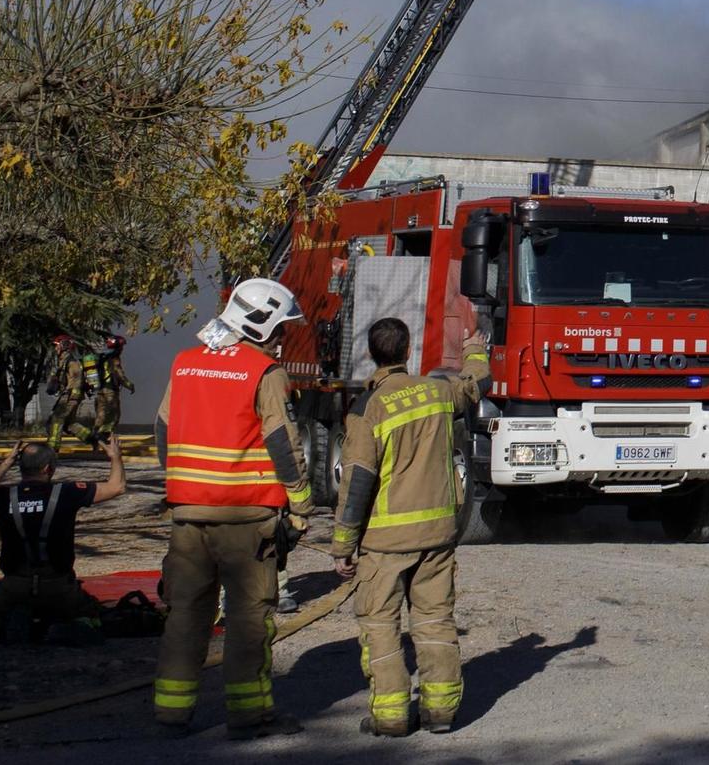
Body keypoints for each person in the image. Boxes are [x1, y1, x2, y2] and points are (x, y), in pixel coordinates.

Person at [152, 278, 314, 740]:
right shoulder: (264, 372)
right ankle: (249, 715)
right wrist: (301, 506)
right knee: (247, 621)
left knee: (185, 615)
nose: (283, 339)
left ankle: (171, 712)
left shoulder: (184, 364)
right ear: (259, 324)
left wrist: (184, 486)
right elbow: (283, 443)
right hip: (246, 522)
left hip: (187, 519)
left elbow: (163, 429)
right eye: (280, 329)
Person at [331, 317, 490, 737]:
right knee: (435, 619)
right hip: (437, 535)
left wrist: (342, 545)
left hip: (385, 542)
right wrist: (474, 345)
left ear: (372, 354)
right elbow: (475, 382)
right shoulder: (437, 392)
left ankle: (392, 715)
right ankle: (440, 713)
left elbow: (357, 482)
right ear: (407, 352)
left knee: (381, 626)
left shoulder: (368, 408)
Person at [0, 436, 126, 642]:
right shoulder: (67, 492)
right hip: (58, 585)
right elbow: (116, 487)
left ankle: (2, 626)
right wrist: (115, 457)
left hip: (15, 585)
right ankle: (69, 624)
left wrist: (7, 462)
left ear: (21, 467)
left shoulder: (3, 496)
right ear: (48, 469)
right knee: (91, 613)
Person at [87, 335, 136, 448]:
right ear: (118, 347)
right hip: (110, 392)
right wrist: (130, 385)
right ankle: (103, 437)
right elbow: (120, 375)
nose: (123, 349)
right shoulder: (115, 359)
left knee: (100, 416)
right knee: (114, 416)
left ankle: (95, 439)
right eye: (122, 346)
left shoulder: (103, 357)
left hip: (100, 391)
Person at [45, 335, 91, 453]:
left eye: (56, 346)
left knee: (56, 419)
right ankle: (93, 439)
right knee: (69, 424)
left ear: (63, 346)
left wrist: (72, 395)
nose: (55, 349)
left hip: (70, 395)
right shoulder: (63, 360)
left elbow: (77, 378)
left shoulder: (71, 361)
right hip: (68, 394)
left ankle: (52, 447)